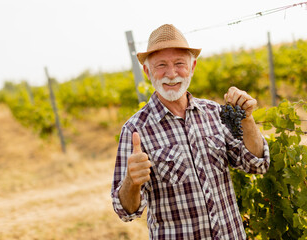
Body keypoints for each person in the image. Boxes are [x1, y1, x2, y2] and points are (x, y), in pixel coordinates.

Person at [111, 24, 270, 240]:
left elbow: (257, 165)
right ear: (147, 72)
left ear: (192, 67)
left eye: (179, 63)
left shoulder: (215, 112)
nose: (171, 73)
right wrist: (132, 181)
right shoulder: (135, 130)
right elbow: (126, 211)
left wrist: (248, 119)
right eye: (161, 65)